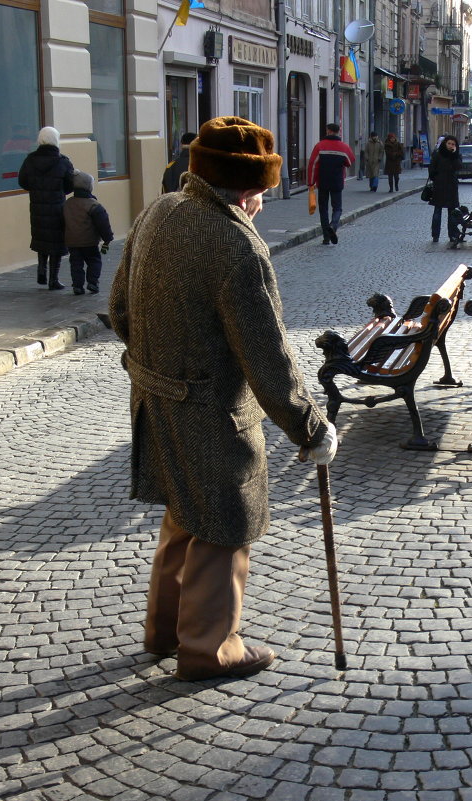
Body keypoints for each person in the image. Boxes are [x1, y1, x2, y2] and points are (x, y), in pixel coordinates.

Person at [108, 116, 338, 682]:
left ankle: (164, 632)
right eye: (259, 192)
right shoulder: (236, 244)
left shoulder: (158, 211)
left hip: (153, 396)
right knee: (224, 524)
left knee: (183, 515)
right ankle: (209, 649)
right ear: (246, 188)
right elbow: (266, 356)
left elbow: (119, 311)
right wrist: (311, 428)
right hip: (211, 411)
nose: (260, 203)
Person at [18, 126, 75, 289]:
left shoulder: (30, 160)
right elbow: (70, 184)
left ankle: (41, 270)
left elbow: (22, 181)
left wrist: (36, 189)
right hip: (56, 206)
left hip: (37, 206)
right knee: (56, 241)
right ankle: (53, 279)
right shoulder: (62, 161)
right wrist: (60, 192)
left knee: (41, 237)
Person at [63, 170, 114, 295]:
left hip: (72, 241)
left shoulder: (68, 203)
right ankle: (92, 282)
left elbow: (62, 221)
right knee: (94, 261)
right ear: (89, 187)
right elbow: (103, 224)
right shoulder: (93, 205)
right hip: (89, 241)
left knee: (76, 264)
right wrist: (107, 238)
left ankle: (77, 286)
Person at [308, 123, 355, 245]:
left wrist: (311, 182)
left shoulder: (320, 146)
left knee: (323, 209)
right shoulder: (344, 147)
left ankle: (326, 238)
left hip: (322, 182)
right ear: (338, 132)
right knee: (337, 208)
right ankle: (333, 225)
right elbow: (350, 162)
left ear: (328, 131)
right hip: (337, 181)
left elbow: (313, 165)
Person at [428, 134, 462, 243]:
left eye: (453, 144)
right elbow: (431, 170)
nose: (451, 146)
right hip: (440, 186)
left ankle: (452, 235)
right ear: (445, 144)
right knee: (437, 211)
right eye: (449, 143)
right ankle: (435, 235)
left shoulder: (456, 155)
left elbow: (458, 167)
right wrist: (437, 179)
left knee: (451, 212)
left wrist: (454, 155)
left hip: (451, 187)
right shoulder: (438, 155)